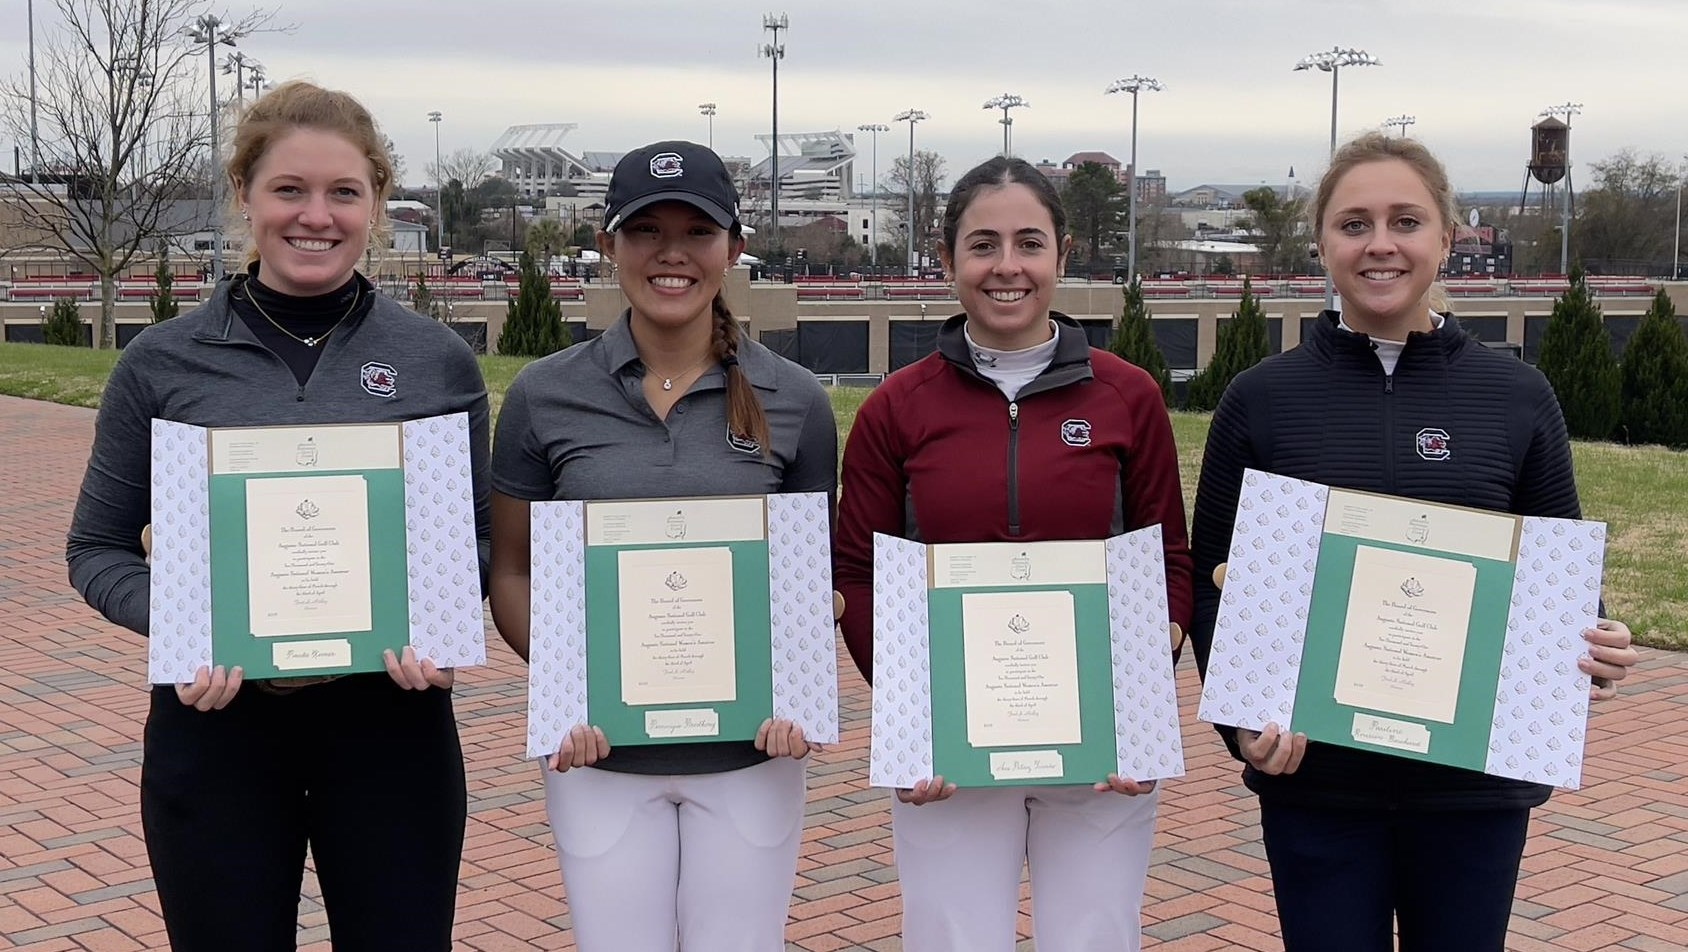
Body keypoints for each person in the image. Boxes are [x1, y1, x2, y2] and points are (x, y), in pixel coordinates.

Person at [1188, 131, 1641, 952]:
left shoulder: (1516, 393)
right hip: (1319, 785)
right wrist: (1242, 728)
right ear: (1323, 242)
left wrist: (1598, 635)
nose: (1381, 244)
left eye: (1406, 220)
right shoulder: (1260, 400)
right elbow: (1212, 587)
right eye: (1354, 224)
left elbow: (1559, 571)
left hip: (1474, 788)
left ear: (1446, 235)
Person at [64, 81, 491, 951]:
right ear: (245, 197)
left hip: (391, 727)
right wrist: (186, 621)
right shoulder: (163, 362)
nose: (316, 216)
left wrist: (441, 623)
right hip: (217, 728)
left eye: (344, 192)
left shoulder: (435, 360)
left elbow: (477, 537)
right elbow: (98, 547)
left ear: (376, 202)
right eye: (289, 190)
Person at [833, 156, 1194, 952]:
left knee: (1097, 939)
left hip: (1100, 752)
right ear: (948, 257)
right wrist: (911, 716)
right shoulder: (897, 407)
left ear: (1063, 255)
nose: (1007, 267)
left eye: (1028, 243)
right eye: (983, 244)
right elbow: (855, 573)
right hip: (950, 754)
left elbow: (1167, 558)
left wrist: (1134, 712)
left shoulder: (1126, 395)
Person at [487, 141, 837, 952]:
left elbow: (808, 580)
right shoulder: (545, 394)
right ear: (607, 244)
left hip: (751, 754)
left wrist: (801, 690)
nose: (671, 254)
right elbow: (510, 570)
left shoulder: (796, 399)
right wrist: (571, 685)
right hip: (601, 758)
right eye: (644, 230)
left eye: (697, 231)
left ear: (734, 247)